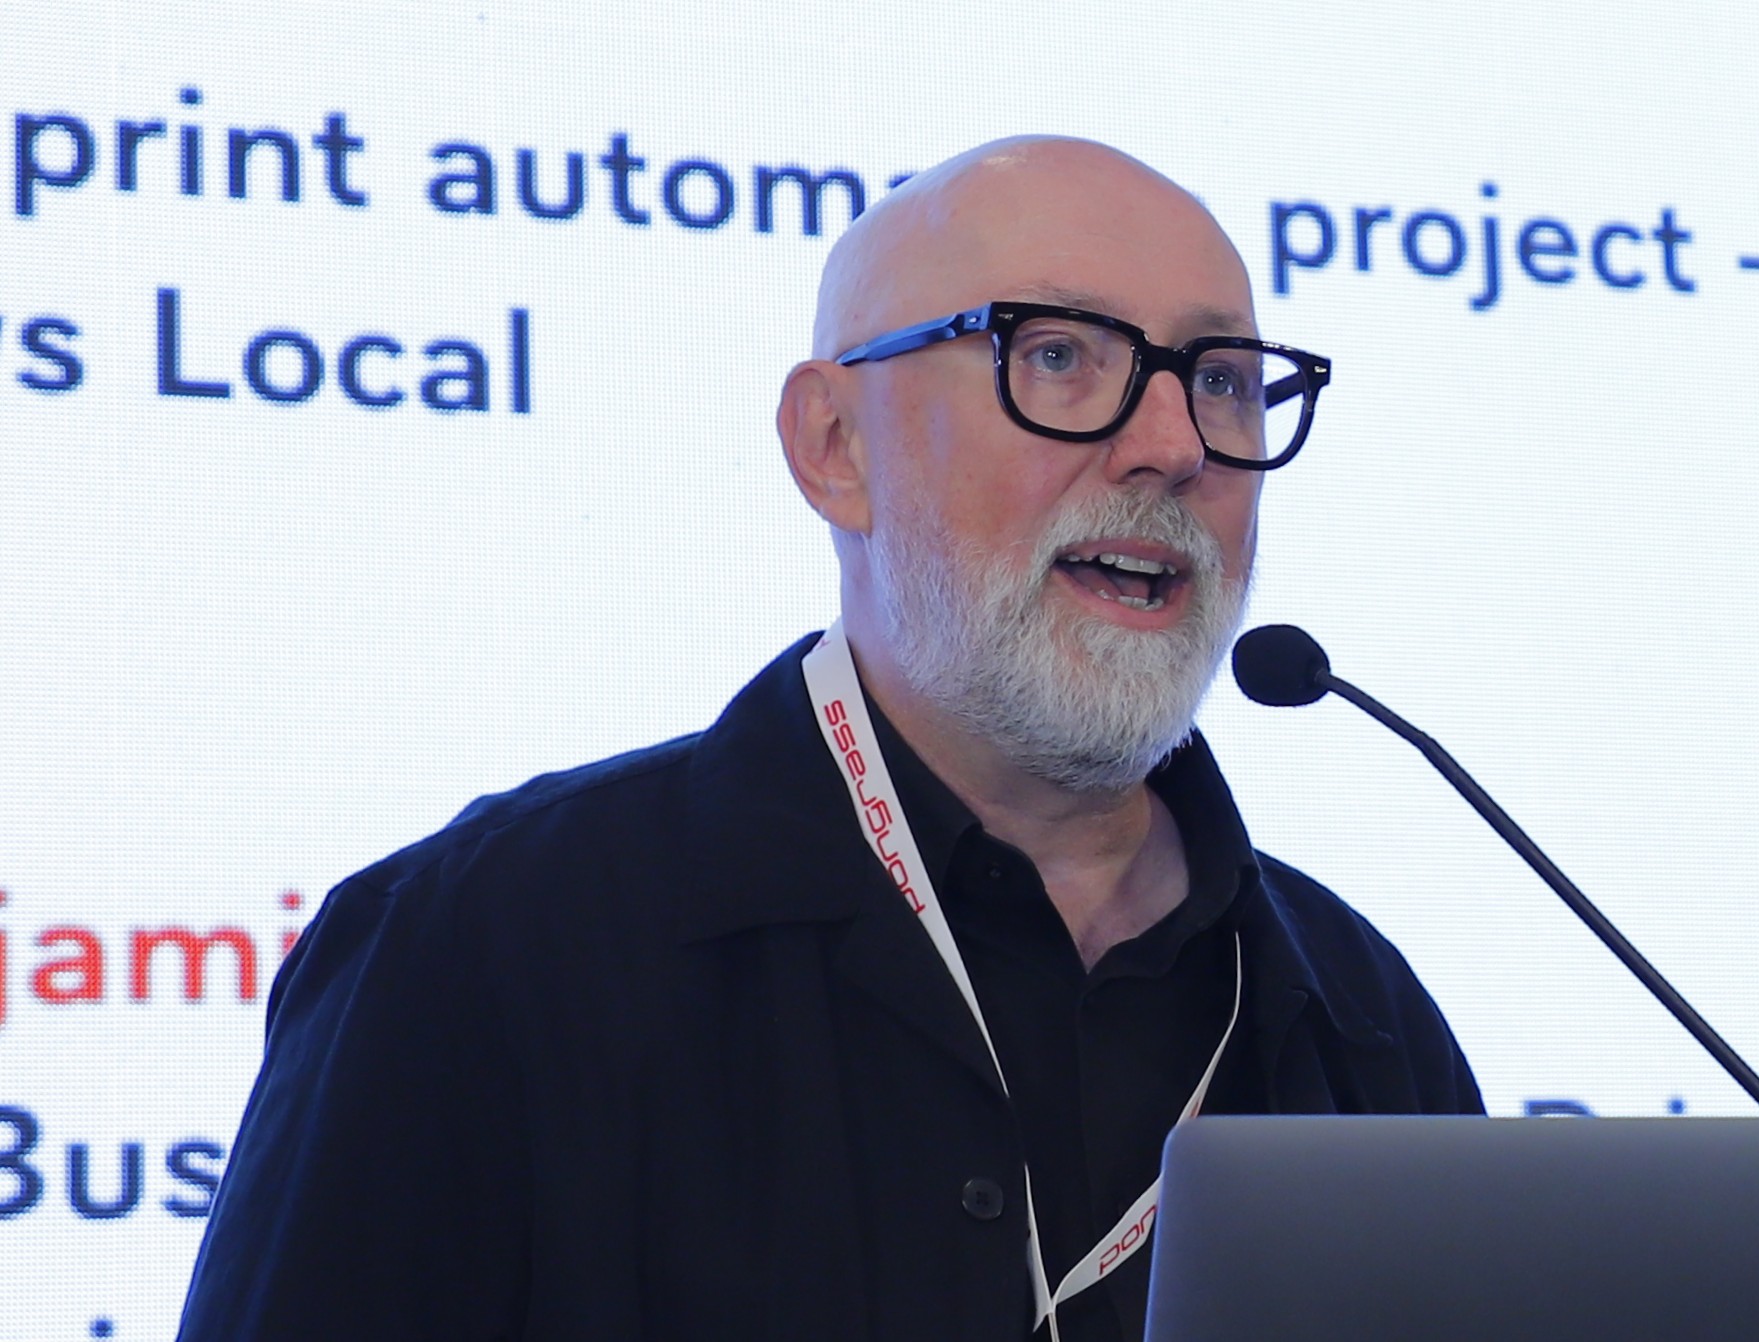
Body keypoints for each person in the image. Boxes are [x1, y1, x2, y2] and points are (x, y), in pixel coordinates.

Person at [176, 136, 1482, 1342]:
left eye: (1223, 381)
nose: (1171, 444)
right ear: (835, 445)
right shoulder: (483, 948)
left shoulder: (1361, 1020)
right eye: (1058, 357)